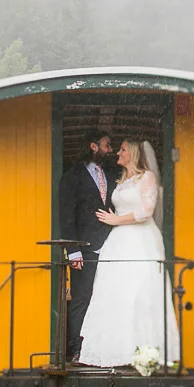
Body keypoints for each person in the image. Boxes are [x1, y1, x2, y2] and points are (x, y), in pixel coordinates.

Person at [77, 139, 180, 368]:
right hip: (118, 241)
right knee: (115, 294)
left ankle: (145, 350)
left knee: (139, 293)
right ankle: (115, 350)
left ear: (132, 153)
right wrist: (117, 216)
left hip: (140, 241)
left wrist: (116, 219)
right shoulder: (122, 180)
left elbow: (145, 211)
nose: (118, 152)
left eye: (122, 149)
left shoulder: (147, 178)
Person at [58, 129, 117, 362]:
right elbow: (66, 215)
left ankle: (103, 347)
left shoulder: (111, 173)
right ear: (93, 146)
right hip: (83, 248)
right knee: (82, 299)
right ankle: (77, 350)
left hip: (112, 247)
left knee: (107, 297)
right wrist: (73, 250)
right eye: (106, 145)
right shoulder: (72, 175)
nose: (110, 149)